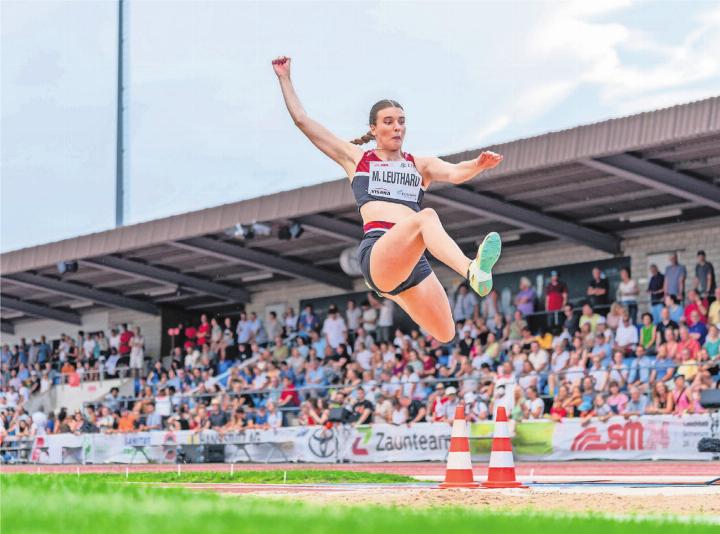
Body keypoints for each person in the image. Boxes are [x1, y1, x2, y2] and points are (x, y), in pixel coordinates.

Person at [273, 56, 503, 344]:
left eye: (401, 122)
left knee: (446, 333)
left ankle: (394, 294)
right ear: (373, 129)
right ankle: (472, 269)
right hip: (379, 251)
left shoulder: (419, 165)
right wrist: (285, 78)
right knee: (426, 217)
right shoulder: (358, 159)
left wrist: (478, 165)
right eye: (389, 122)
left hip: (411, 262)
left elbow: (456, 172)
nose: (397, 127)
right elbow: (303, 121)